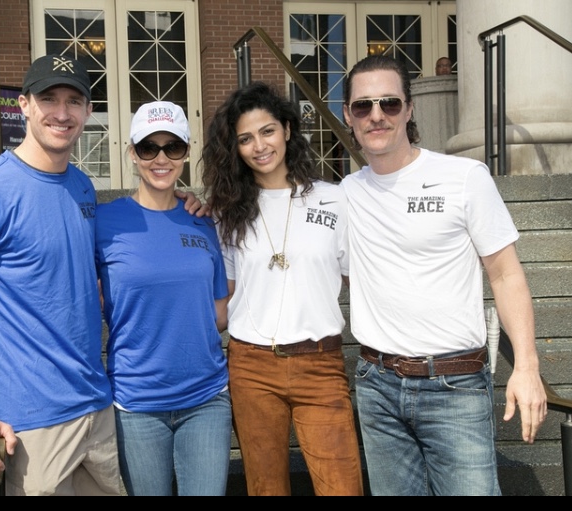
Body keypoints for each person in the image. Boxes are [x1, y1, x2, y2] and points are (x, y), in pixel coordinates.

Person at [341, 54, 547, 496]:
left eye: (389, 103)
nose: (376, 115)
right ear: (348, 116)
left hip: (453, 386)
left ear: (409, 109)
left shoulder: (464, 177)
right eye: (363, 106)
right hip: (377, 386)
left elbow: (506, 275)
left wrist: (526, 367)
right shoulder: (346, 194)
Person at [202, 82, 363, 496]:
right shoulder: (228, 211)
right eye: (245, 138)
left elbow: (356, 277)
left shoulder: (334, 199)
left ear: (288, 130)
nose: (259, 145)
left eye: (267, 131)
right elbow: (230, 290)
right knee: (265, 487)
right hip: (251, 365)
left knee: (342, 486)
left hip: (321, 364)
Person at [95, 101, 231, 496]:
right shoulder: (104, 222)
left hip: (206, 398)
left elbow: (218, 312)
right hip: (137, 403)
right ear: (132, 153)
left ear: (186, 152)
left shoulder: (203, 222)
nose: (160, 158)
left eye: (172, 147)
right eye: (148, 147)